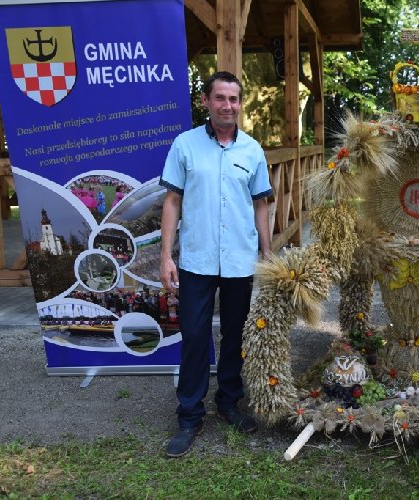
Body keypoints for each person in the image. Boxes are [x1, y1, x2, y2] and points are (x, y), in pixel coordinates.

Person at [159, 71, 273, 458]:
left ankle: (228, 402)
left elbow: (260, 204)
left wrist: (267, 253)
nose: (227, 105)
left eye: (233, 99)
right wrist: (166, 256)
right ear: (206, 101)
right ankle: (189, 415)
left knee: (235, 334)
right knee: (194, 335)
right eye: (220, 98)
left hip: (240, 259)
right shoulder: (185, 145)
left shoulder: (252, 150)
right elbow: (172, 201)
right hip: (197, 259)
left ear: (241, 103)